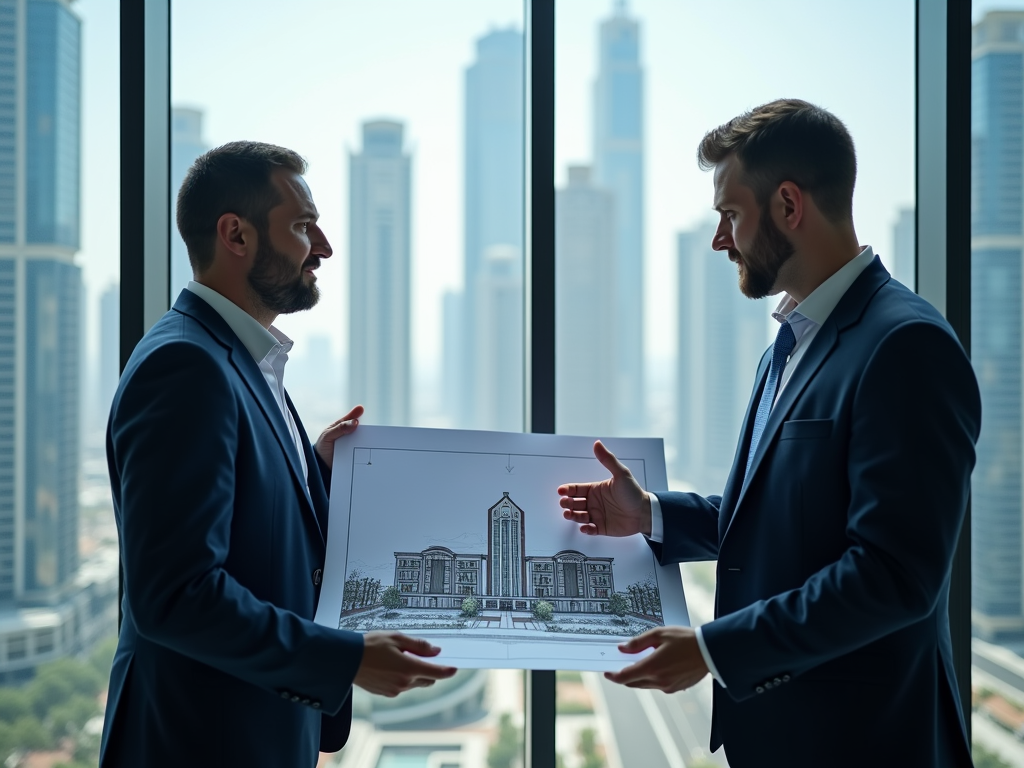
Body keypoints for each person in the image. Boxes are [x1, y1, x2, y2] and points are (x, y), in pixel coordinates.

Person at [557, 100, 980, 767]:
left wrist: (713, 650)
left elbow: (894, 574)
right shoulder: (790, 344)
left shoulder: (906, 345)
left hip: (865, 743)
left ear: (788, 204)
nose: (719, 240)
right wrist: (654, 515)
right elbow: (787, 520)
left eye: (729, 215)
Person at [100, 141, 457, 768]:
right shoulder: (186, 365)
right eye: (301, 225)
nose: (322, 247)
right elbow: (176, 594)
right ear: (235, 234)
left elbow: (239, 519)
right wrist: (346, 658)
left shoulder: (238, 357)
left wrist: (311, 470)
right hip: (199, 742)